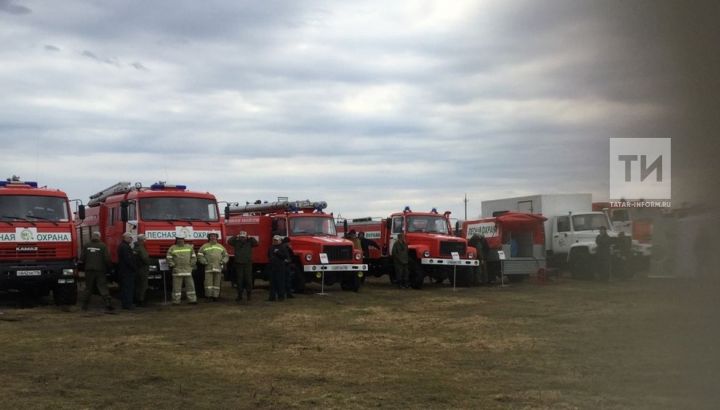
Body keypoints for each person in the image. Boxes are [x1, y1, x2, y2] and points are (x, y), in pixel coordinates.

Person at [79, 231, 114, 312]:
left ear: (92, 237)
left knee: (88, 288)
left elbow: (82, 258)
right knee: (102, 287)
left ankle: (85, 305)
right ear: (99, 237)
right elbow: (107, 259)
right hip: (100, 270)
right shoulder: (103, 246)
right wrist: (110, 268)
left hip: (89, 270)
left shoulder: (86, 245)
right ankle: (108, 304)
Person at [167, 233, 198, 304]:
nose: (180, 240)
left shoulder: (189, 247)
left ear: (184, 239)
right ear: (176, 239)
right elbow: (169, 258)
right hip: (177, 270)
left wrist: (191, 265)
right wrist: (173, 265)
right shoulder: (172, 248)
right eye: (178, 239)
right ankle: (176, 301)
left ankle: (192, 300)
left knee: (190, 286)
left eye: (181, 239)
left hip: (187, 270)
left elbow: (193, 257)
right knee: (176, 287)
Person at [198, 231, 229, 302]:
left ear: (216, 237)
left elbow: (226, 256)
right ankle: (208, 296)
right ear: (209, 237)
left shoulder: (221, 247)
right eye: (211, 236)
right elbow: (200, 256)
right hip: (208, 268)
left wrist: (223, 261)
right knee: (208, 283)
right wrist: (204, 262)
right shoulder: (204, 246)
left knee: (217, 283)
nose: (213, 237)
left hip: (218, 267)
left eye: (214, 236)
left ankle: (216, 296)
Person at [228, 231, 258, 302]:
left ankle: (249, 295)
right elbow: (229, 241)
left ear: (246, 237)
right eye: (241, 237)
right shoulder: (236, 242)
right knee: (239, 280)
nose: (242, 238)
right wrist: (236, 236)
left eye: (244, 237)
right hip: (239, 263)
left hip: (247, 263)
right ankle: (240, 295)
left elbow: (256, 243)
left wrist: (250, 238)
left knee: (248, 280)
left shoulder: (249, 242)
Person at [117, 232, 137, 310]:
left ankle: (126, 304)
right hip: (127, 271)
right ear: (126, 238)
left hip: (124, 270)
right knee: (128, 288)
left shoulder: (123, 246)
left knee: (125, 287)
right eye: (130, 238)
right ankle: (127, 304)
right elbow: (128, 260)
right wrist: (134, 267)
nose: (131, 239)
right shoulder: (125, 247)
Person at [267, 235, 288, 301]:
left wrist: (278, 252)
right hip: (272, 267)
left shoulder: (283, 247)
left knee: (280, 282)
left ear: (279, 241)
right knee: (272, 283)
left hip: (280, 267)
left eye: (276, 240)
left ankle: (281, 297)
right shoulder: (271, 247)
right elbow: (268, 255)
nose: (275, 241)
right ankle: (272, 297)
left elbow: (285, 256)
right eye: (274, 240)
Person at [134, 234, 151, 307]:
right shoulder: (141, 248)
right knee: (143, 285)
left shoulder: (135, 247)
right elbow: (145, 258)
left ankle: (136, 300)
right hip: (143, 269)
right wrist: (149, 262)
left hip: (137, 269)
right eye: (145, 240)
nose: (145, 241)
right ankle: (141, 300)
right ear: (142, 240)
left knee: (137, 285)